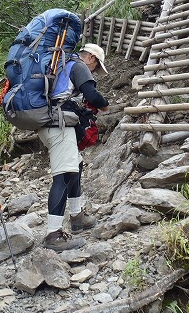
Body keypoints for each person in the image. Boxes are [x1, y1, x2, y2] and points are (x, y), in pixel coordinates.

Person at [38, 43, 109, 252]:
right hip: (58, 125)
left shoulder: (62, 65)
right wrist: (105, 105)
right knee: (63, 176)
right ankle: (53, 235)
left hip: (51, 124)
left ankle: (77, 216)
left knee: (75, 166)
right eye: (96, 68)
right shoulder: (78, 66)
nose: (94, 71)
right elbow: (92, 95)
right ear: (92, 59)